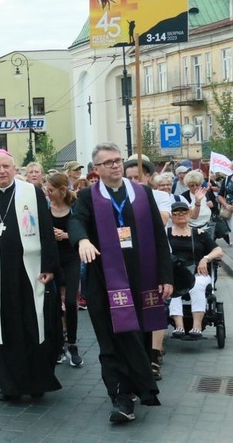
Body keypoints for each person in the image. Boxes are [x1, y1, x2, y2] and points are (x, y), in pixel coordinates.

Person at [68, 142, 173, 423]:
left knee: (136, 336)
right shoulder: (88, 196)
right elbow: (76, 221)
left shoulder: (142, 194)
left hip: (141, 277)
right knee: (110, 340)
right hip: (104, 280)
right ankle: (120, 396)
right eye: (109, 162)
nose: (116, 165)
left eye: (118, 160)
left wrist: (165, 276)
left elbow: (159, 237)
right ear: (97, 169)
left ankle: (137, 385)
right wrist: (83, 240)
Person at [0, 150, 61, 402]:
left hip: (29, 272)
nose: (2, 171)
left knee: (33, 325)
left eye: (6, 166)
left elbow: (47, 230)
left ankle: (37, 381)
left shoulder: (31, 192)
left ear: (16, 169)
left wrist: (49, 265)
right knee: (0, 328)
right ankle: (9, 385)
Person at [124, 154, 171, 381]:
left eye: (137, 177)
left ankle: (153, 356)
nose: (133, 181)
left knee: (154, 306)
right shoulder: (121, 198)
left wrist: (143, 202)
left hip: (155, 258)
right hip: (131, 261)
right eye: (129, 177)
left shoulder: (159, 195)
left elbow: (162, 220)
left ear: (148, 176)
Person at [167, 202, 223, 339]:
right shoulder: (166, 234)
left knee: (197, 285)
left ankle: (196, 327)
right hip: (175, 273)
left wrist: (206, 258)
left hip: (198, 272)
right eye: (176, 213)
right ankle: (179, 326)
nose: (180, 215)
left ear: (190, 214)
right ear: (171, 217)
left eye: (184, 212)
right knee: (175, 286)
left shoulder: (199, 233)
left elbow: (219, 250)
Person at [45, 173, 83, 367]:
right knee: (53, 305)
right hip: (52, 260)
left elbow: (84, 231)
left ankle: (73, 343)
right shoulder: (45, 207)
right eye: (46, 189)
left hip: (71, 258)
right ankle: (59, 345)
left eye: (51, 190)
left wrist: (66, 235)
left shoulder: (75, 206)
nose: (48, 193)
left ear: (62, 190)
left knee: (70, 302)